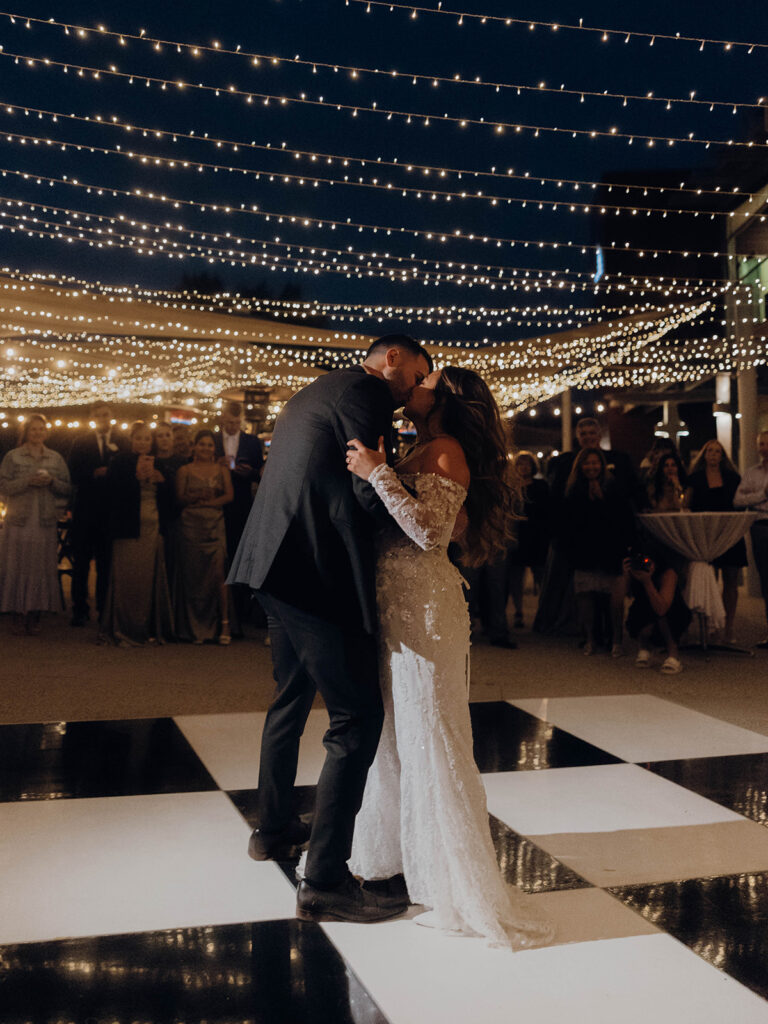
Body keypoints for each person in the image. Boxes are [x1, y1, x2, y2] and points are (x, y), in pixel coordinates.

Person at [344, 367, 553, 948]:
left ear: (445, 398)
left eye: (424, 381)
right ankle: (399, 858)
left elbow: (431, 535)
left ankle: (458, 885)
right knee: (397, 733)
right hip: (398, 603)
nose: (411, 384)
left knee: (432, 735)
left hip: (425, 607)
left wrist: (379, 473)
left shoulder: (446, 449)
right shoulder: (426, 447)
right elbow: (448, 523)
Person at [228, 334, 432, 924]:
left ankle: (272, 828)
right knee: (357, 715)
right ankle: (323, 880)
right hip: (312, 569)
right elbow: (363, 481)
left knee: (290, 698)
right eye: (418, 375)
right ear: (392, 357)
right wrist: (404, 508)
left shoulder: (319, 389)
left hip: (274, 562)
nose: (416, 388)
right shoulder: (366, 391)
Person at [534, 417, 637, 636]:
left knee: (609, 585)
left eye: (592, 433)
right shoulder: (564, 463)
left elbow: (629, 495)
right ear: (578, 437)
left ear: (599, 436)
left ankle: (610, 632)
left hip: (609, 534)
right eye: (584, 434)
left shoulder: (619, 460)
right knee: (578, 585)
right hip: (576, 532)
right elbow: (557, 498)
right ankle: (576, 627)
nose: (589, 437)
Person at [100, 421, 174, 647]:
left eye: (146, 439)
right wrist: (136, 479)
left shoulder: (160, 463)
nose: (143, 443)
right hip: (127, 528)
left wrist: (161, 481)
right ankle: (123, 628)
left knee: (148, 579)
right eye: (138, 438)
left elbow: (170, 500)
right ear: (131, 440)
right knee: (126, 578)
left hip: (152, 528)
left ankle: (147, 628)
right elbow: (111, 496)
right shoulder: (120, 462)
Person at [0, 414, 71, 634]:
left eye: (41, 429)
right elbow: (3, 486)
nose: (37, 433)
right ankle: (17, 612)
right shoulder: (13, 457)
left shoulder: (55, 458)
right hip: (19, 519)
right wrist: (27, 481)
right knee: (17, 564)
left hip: (44, 520)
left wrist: (52, 482)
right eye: (34, 429)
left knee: (39, 566)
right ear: (26, 432)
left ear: (46, 432)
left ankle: (35, 612)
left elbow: (68, 489)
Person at [560, 448, 635, 656]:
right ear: (580, 466)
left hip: (612, 550)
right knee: (586, 599)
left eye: (595, 463)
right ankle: (590, 639)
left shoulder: (614, 487)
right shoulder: (573, 490)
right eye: (587, 463)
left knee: (616, 601)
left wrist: (603, 499)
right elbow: (570, 525)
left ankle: (617, 640)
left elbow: (624, 520)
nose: (591, 467)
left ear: (601, 465)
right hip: (585, 551)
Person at [67, 401, 124, 626]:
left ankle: (103, 608)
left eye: (106, 415)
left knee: (105, 563)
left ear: (111, 417)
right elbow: (73, 473)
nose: (103, 419)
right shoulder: (81, 442)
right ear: (93, 418)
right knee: (80, 563)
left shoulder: (121, 441)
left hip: (108, 512)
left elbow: (127, 471)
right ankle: (79, 609)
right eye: (98, 415)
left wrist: (111, 473)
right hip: (85, 511)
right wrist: (93, 473)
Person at [174, 429, 234, 644]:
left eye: (209, 445)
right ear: (195, 447)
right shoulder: (185, 470)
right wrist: (195, 497)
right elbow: (179, 497)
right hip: (190, 527)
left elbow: (229, 495)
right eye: (202, 444)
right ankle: (194, 627)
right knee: (193, 576)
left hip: (214, 525)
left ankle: (224, 623)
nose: (206, 448)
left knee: (218, 573)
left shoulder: (221, 470)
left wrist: (208, 503)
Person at [685, 440, 747, 644]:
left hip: (728, 532)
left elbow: (740, 504)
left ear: (722, 456)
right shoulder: (694, 478)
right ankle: (710, 626)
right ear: (704, 454)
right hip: (705, 534)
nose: (713, 454)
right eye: (709, 451)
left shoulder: (733, 477)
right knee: (707, 578)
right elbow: (687, 505)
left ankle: (729, 627)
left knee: (731, 579)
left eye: (717, 451)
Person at [216, 402, 265, 634]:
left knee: (239, 554)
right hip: (217, 503)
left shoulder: (252, 442)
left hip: (243, 504)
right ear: (222, 420)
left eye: (236, 423)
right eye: (229, 423)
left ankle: (240, 611)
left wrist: (250, 472)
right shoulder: (212, 440)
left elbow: (261, 473)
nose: (233, 426)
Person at [624, 547, 691, 674]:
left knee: (660, 614)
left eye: (646, 560)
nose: (643, 563)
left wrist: (647, 581)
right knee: (640, 609)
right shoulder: (633, 572)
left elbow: (661, 609)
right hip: (644, 608)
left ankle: (673, 653)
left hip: (672, 612)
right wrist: (626, 575)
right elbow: (625, 595)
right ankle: (644, 646)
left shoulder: (668, 573)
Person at [734, 430, 768, 649]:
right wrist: (763, 495)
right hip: (761, 527)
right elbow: (738, 500)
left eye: (767, 443)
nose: (764, 448)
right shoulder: (751, 473)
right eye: (761, 444)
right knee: (766, 579)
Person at [509, 451, 550, 629]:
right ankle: (518, 611)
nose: (524, 467)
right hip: (517, 535)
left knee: (540, 574)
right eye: (520, 464)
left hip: (536, 535)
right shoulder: (510, 486)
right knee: (516, 576)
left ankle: (543, 612)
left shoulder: (541, 485)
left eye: (527, 464)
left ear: (533, 467)